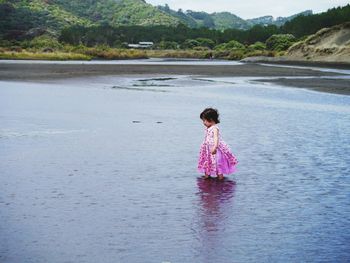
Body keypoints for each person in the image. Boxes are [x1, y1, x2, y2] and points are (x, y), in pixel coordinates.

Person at [198, 108, 238, 180]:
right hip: (207, 150)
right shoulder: (208, 128)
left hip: (214, 149)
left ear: (211, 119)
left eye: (204, 120)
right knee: (207, 162)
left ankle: (220, 178)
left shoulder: (214, 128)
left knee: (217, 163)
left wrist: (215, 147)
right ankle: (207, 176)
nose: (203, 122)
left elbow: (216, 138)